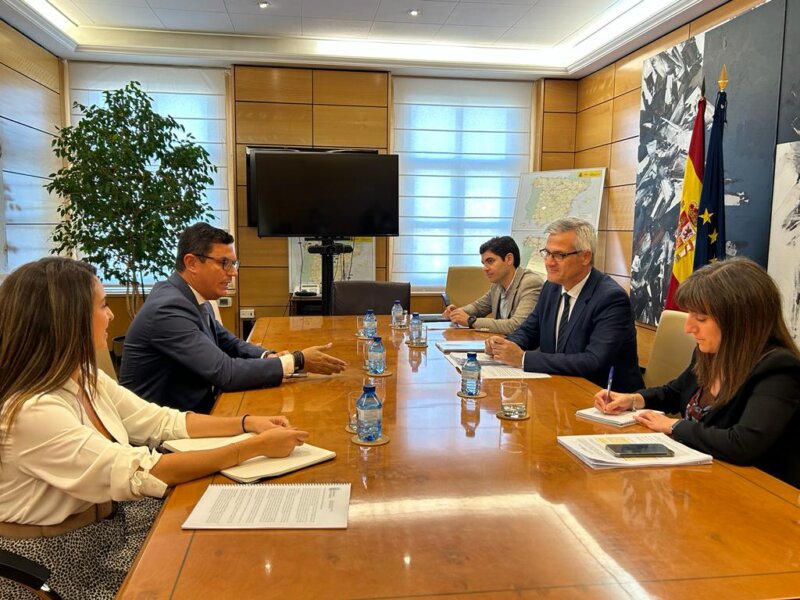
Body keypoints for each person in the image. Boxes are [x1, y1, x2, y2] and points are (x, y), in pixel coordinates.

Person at [0, 257, 309, 599]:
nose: (112, 315)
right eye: (102, 305)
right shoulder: (33, 410)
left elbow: (163, 422)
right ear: (65, 322)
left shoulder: (86, 379)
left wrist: (246, 423)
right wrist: (252, 447)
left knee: (229, 545)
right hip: (63, 559)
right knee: (210, 575)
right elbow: (141, 471)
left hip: (110, 523)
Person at [595, 258, 800, 488]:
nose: (688, 327)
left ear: (740, 321)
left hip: (754, 491)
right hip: (702, 477)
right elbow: (674, 392)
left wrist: (673, 426)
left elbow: (743, 444)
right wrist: (633, 400)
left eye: (701, 318)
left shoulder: (779, 369)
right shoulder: (711, 352)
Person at [120, 223, 346, 413]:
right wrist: (296, 361)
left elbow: (228, 342)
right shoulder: (168, 309)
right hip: (166, 435)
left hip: (197, 410)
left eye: (233, 263)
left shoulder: (189, 295)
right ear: (192, 263)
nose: (233, 272)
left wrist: (268, 355)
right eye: (224, 263)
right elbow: (225, 373)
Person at [486, 217, 644, 391]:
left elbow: (594, 361)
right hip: (558, 387)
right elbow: (530, 331)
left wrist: (523, 358)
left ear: (585, 257)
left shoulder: (611, 299)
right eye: (547, 253)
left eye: (559, 255)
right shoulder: (551, 287)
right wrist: (503, 345)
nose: (549, 262)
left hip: (605, 398)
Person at [442, 236, 543, 334]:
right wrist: (456, 313)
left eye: (490, 261)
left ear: (509, 259)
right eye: (483, 263)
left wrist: (471, 321)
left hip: (523, 349)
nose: (484, 268)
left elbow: (518, 325)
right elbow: (478, 308)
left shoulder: (530, 283)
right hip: (502, 344)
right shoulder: (498, 284)